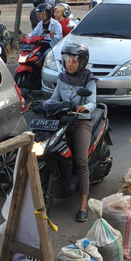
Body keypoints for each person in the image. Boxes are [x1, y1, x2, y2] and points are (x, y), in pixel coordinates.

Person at [43, 43, 97, 222]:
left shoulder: (89, 79)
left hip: (80, 121)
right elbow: (54, 98)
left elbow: (92, 102)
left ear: (82, 62)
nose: (69, 64)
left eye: (74, 60)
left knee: (81, 161)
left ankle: (83, 205)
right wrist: (42, 104)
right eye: (67, 60)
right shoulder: (62, 78)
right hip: (63, 121)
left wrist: (84, 108)